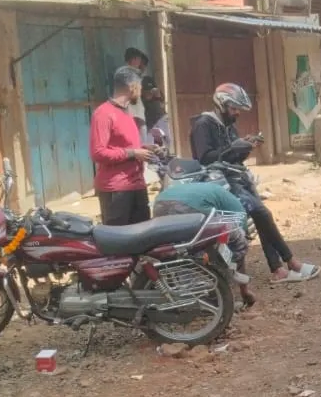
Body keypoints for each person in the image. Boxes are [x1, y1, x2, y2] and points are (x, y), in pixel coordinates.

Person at [189, 83, 320, 284]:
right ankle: (291, 263)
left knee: (262, 218)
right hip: (220, 183)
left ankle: (278, 269)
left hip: (238, 178)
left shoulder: (229, 125)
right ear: (222, 105)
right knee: (262, 214)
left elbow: (234, 157)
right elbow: (205, 158)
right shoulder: (204, 124)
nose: (237, 113)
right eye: (234, 108)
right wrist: (234, 148)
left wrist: (246, 146)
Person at [154, 159, 256, 306]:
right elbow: (239, 240)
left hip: (159, 203)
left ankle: (180, 289)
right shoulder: (237, 210)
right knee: (237, 243)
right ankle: (220, 288)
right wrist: (245, 291)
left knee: (182, 247)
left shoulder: (209, 191)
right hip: (189, 206)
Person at [90, 66, 153, 225]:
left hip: (137, 185)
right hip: (116, 190)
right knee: (118, 237)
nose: (141, 91)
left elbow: (126, 146)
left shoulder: (127, 113)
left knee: (144, 235)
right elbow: (98, 152)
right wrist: (133, 153)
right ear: (132, 87)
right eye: (140, 87)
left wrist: (145, 150)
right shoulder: (104, 113)